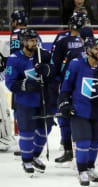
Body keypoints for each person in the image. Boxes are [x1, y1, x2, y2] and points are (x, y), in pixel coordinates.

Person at [58, 37, 98, 187]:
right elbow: (65, 88)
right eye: (96, 49)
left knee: (95, 142)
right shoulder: (75, 65)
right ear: (87, 50)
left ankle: (90, 168)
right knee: (84, 141)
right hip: (80, 111)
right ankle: (82, 171)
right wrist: (65, 103)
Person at [5, 28, 56, 176]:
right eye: (31, 41)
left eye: (35, 40)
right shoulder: (14, 59)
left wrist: (47, 70)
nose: (34, 43)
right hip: (25, 102)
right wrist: (25, 85)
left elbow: (54, 72)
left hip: (44, 99)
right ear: (23, 42)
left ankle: (35, 156)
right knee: (27, 133)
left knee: (45, 129)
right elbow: (10, 82)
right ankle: (26, 160)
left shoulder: (44, 55)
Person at [51, 12, 88, 166]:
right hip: (77, 83)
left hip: (74, 83)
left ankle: (73, 148)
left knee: (69, 115)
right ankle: (73, 148)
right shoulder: (64, 40)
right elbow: (56, 63)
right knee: (70, 115)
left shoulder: (63, 40)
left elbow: (55, 64)